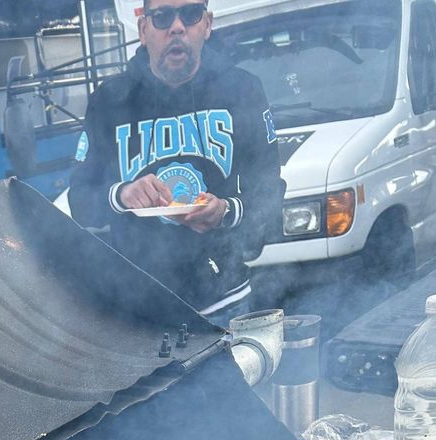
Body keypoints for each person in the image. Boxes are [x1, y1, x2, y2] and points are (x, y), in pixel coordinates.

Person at [68, 0, 284, 320]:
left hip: (223, 301)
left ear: (207, 25)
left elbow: (270, 193)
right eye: (163, 16)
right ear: (143, 30)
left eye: (191, 13)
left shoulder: (243, 90)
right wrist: (121, 194)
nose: (177, 26)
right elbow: (79, 198)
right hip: (136, 311)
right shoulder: (109, 101)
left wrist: (226, 210)